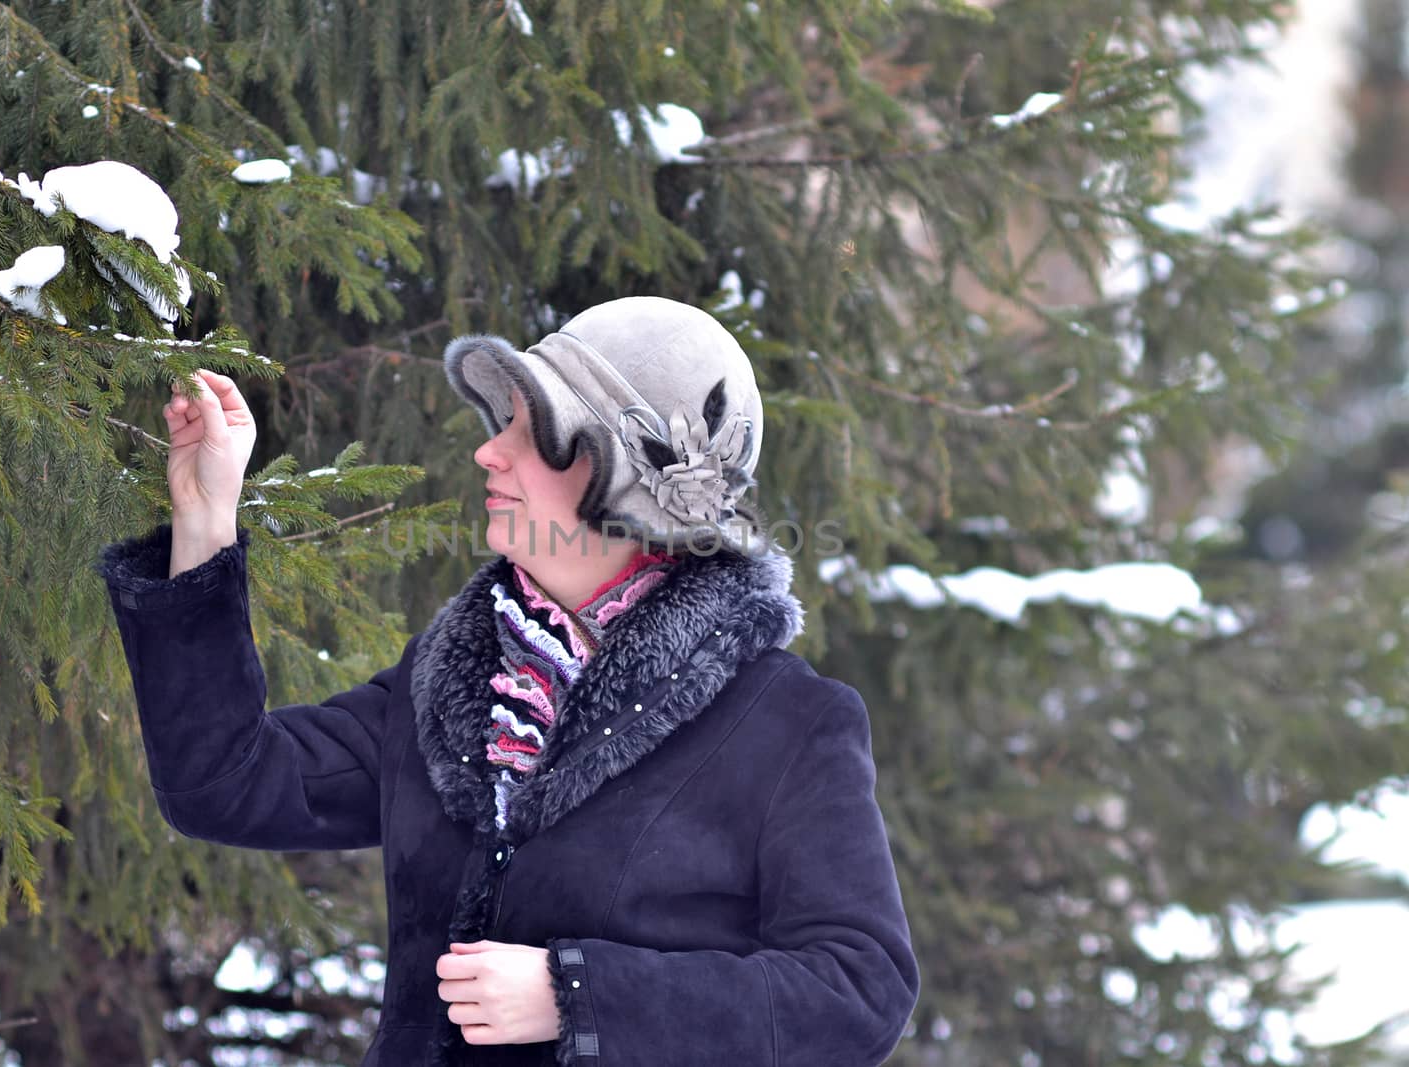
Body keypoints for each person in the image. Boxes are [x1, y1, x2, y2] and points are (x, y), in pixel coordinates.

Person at [94, 296, 921, 1066]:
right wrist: (204, 519)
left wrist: (581, 994)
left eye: (532, 433)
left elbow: (859, 990)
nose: (488, 450)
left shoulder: (785, 723)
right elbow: (224, 782)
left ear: (620, 476)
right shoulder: (449, 682)